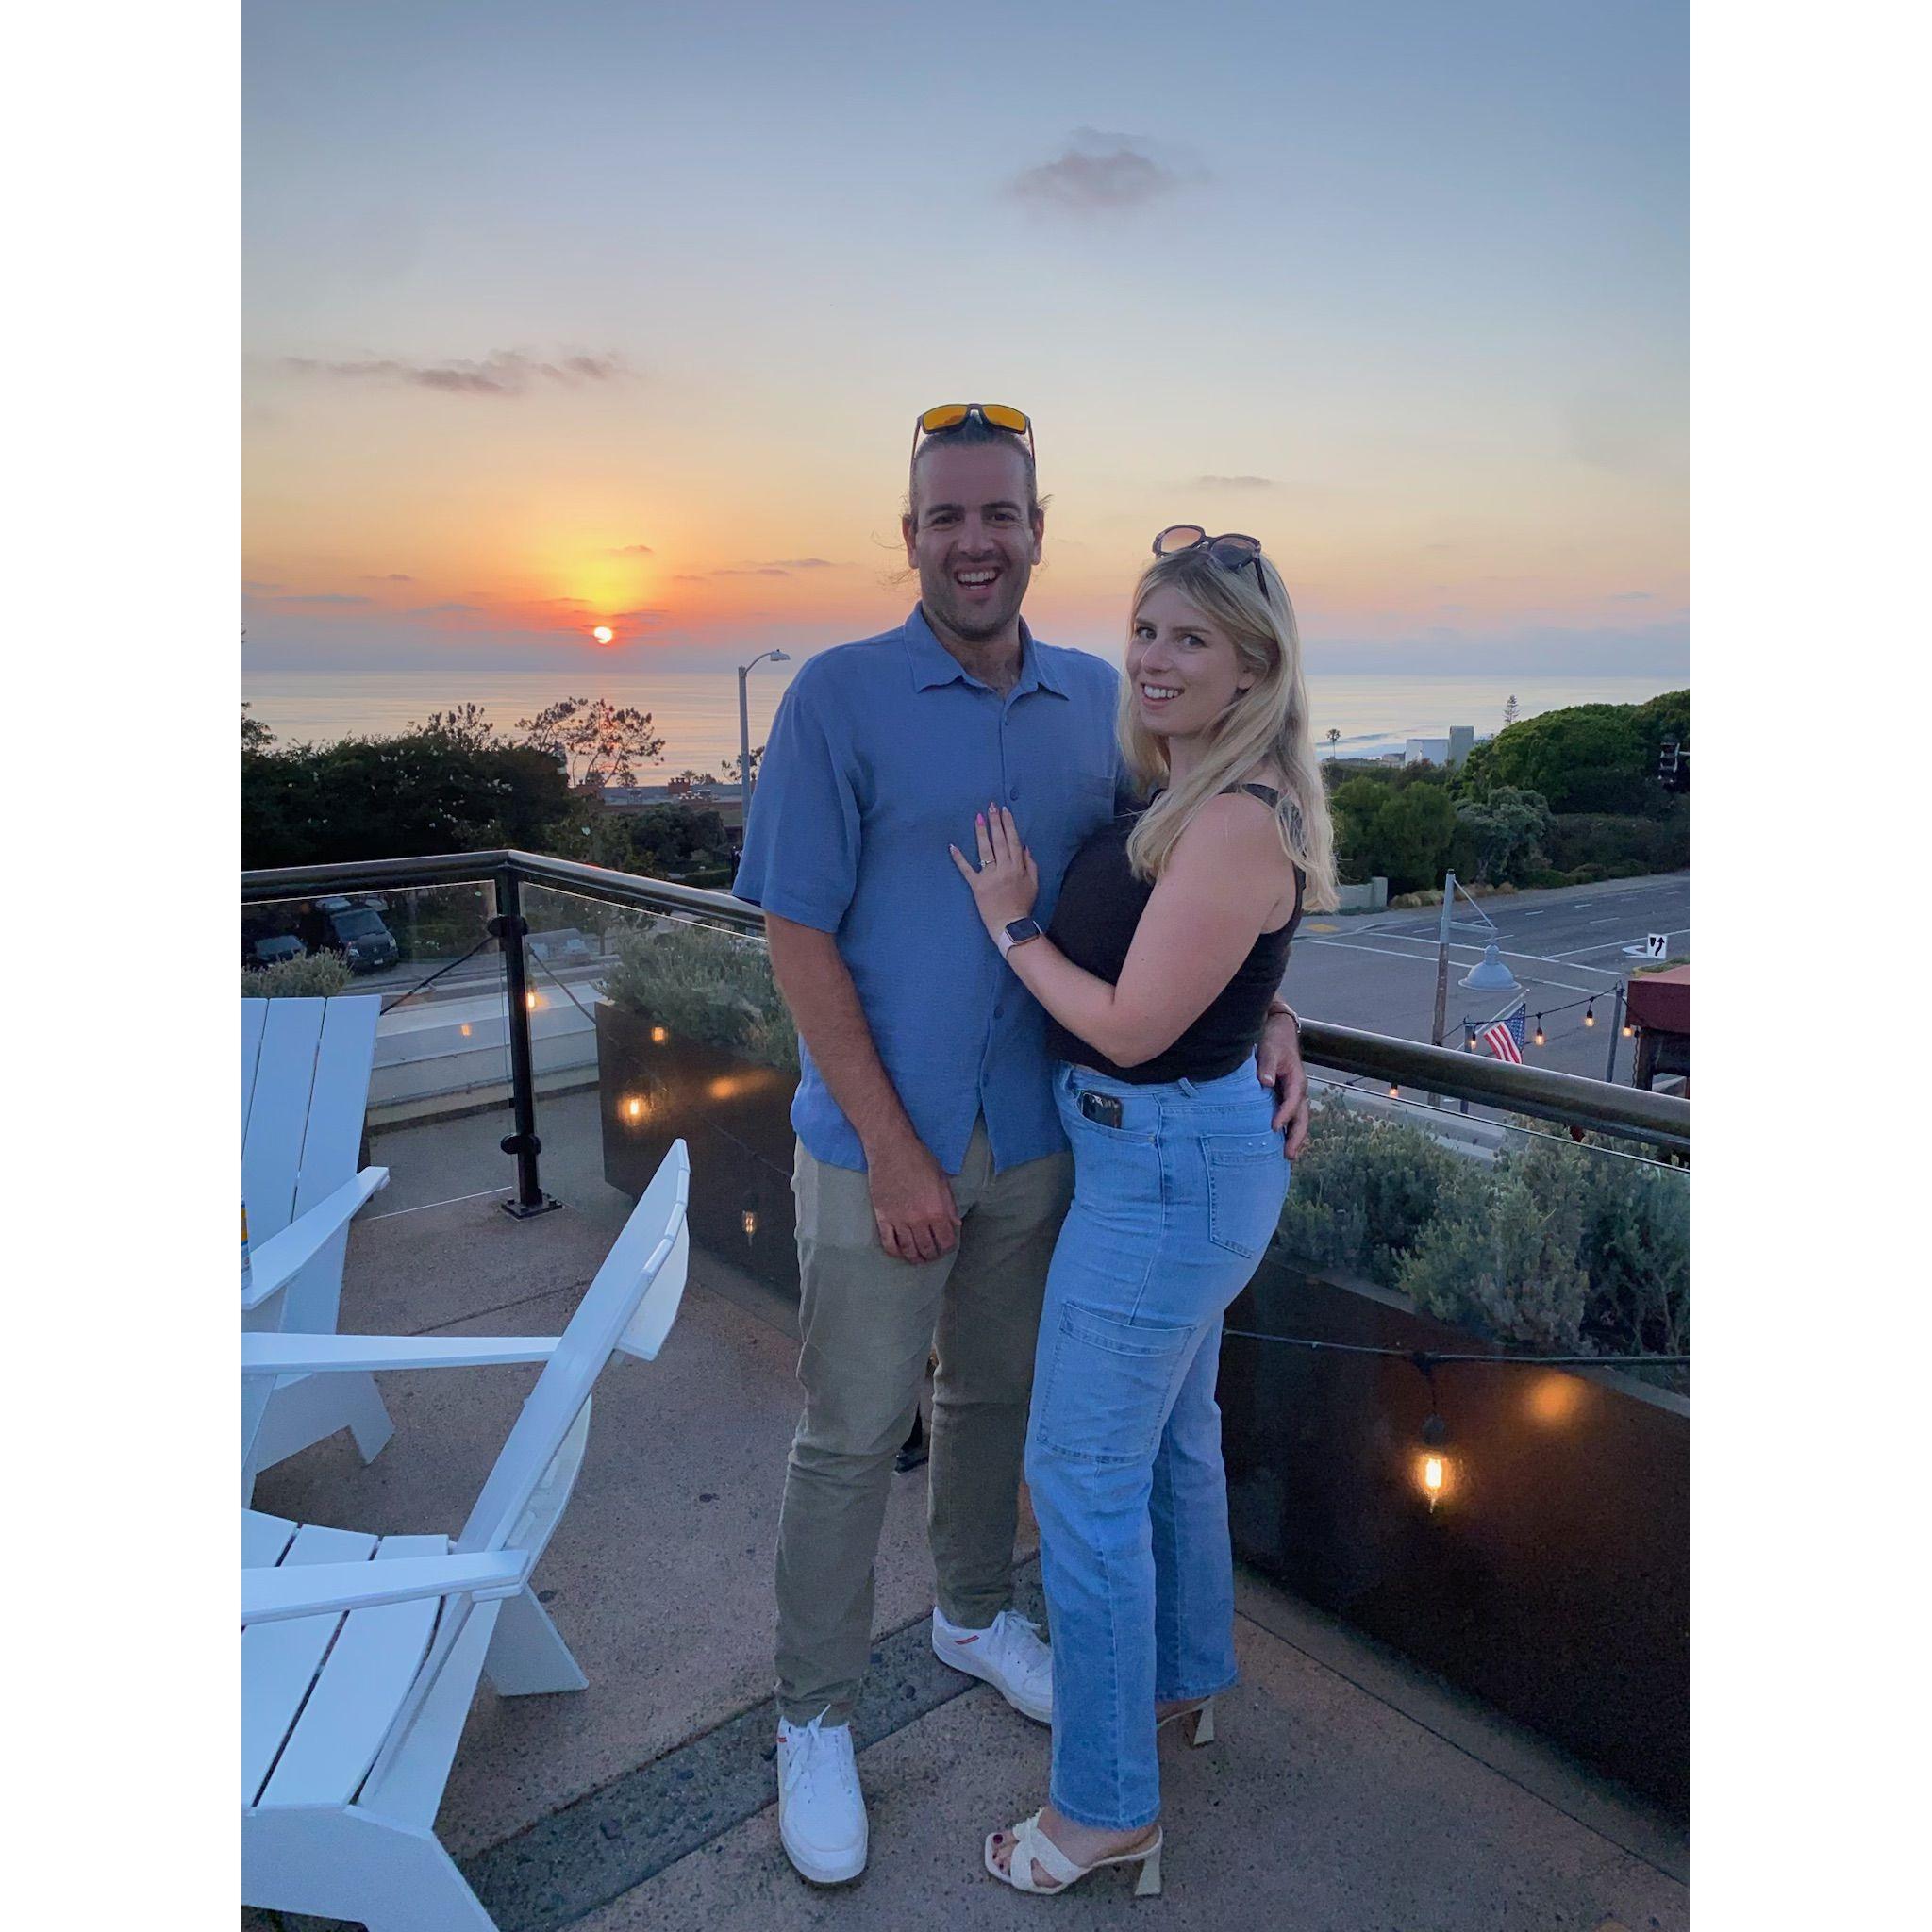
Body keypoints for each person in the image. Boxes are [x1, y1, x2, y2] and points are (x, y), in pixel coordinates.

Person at [731, 415, 1312, 1886]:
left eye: (1000, 513)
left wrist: (1269, 1008)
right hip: (883, 1145)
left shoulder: (1102, 705)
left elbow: (1193, 879)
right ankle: (814, 1715)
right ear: (910, 535)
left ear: (1038, 530)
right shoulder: (836, 698)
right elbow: (796, 936)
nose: (975, 540)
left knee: (996, 1403)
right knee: (853, 1432)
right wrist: (893, 1148)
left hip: (1052, 1142)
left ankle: (975, 1615)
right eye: (947, 517)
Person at [949, 525, 1337, 1898]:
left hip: (1166, 1172)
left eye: (1192, 639)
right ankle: (1181, 1680)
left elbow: (1124, 1025)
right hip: (1168, 1161)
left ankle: (1106, 1808)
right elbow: (1208, 963)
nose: (1157, 660)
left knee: (1079, 1475)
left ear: (1255, 670)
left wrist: (1011, 925)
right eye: (1148, 630)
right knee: (1171, 1439)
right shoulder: (1190, 788)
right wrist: (1272, 1009)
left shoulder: (1231, 817)